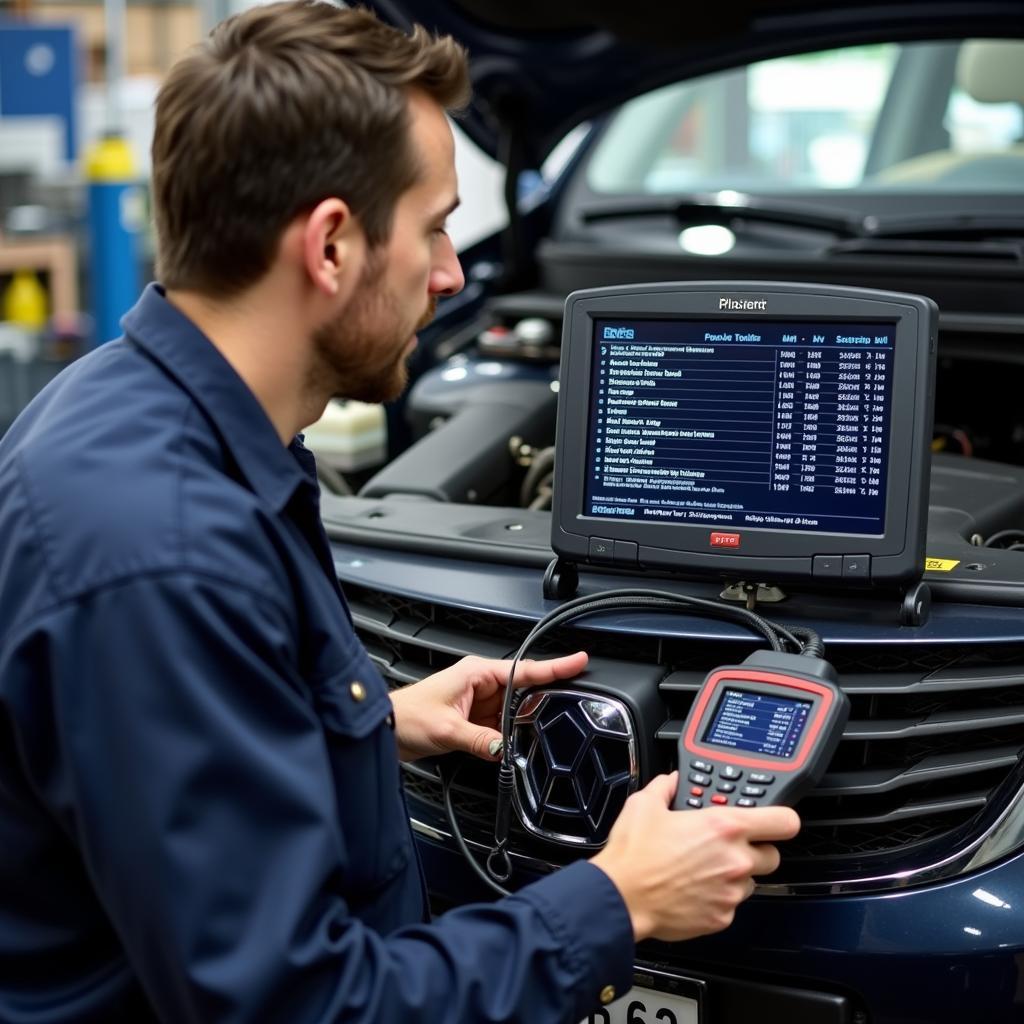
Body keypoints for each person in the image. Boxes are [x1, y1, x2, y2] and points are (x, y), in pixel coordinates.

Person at [0, 3, 800, 1021]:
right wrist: (617, 899)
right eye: (432, 230)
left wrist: (363, 723)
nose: (454, 274)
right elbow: (304, 1005)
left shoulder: (125, 404)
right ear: (330, 245)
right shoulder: (162, 552)